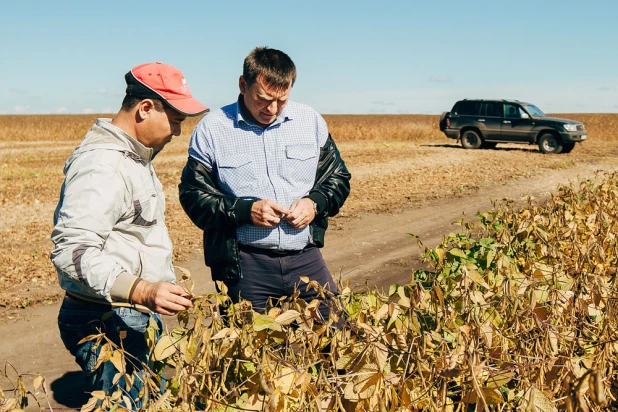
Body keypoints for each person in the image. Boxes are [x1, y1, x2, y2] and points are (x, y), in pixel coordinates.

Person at [50, 62, 208, 406]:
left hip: (128, 310)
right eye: (176, 121)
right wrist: (143, 289)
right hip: (104, 315)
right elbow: (72, 251)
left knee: (147, 399)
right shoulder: (104, 166)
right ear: (145, 109)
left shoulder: (134, 158)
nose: (179, 133)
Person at [179, 47, 351, 320]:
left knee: (339, 339)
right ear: (242, 85)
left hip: (306, 258)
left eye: (281, 100)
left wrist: (314, 203)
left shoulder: (310, 121)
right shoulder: (212, 129)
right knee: (249, 354)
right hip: (245, 266)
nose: (271, 109)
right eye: (263, 99)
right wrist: (245, 211)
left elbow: (338, 178)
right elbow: (193, 196)